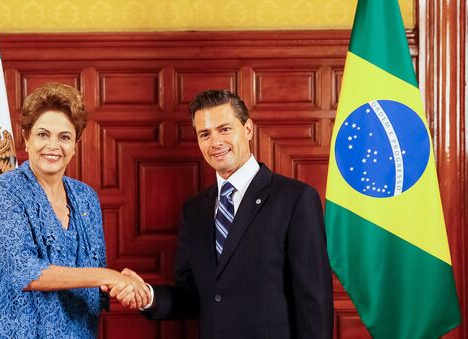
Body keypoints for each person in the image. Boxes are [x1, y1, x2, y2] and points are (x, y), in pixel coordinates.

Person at [113, 89, 333, 338]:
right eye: (204, 134)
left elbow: (314, 301)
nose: (215, 142)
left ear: (247, 129)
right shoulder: (194, 210)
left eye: (225, 129)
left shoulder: (295, 199)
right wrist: (148, 296)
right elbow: (192, 295)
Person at [0, 82, 149, 338]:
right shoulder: (3, 191)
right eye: (43, 134)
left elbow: (93, 277)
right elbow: (27, 273)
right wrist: (110, 277)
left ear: (75, 145)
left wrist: (126, 285)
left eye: (64, 137)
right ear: (26, 139)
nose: (53, 145)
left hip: (77, 332)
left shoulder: (86, 198)